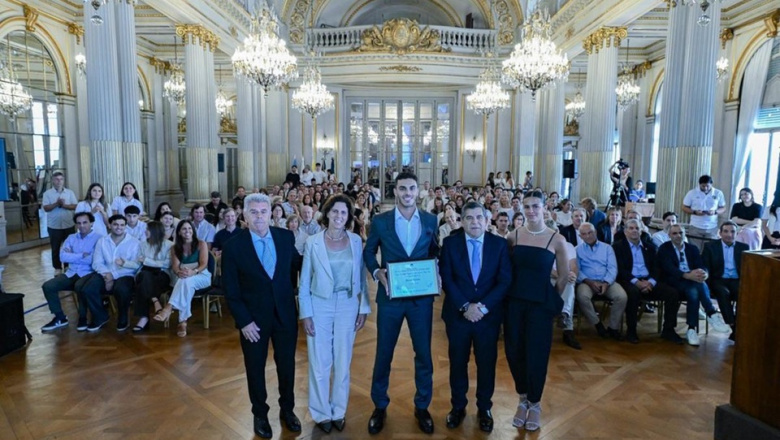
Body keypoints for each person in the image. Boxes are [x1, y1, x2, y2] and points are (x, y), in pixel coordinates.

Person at [363, 172, 440, 435]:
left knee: (424, 354)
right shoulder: (381, 221)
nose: (408, 193)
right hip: (390, 297)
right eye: (403, 188)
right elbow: (368, 251)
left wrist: (435, 269)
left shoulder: (431, 220)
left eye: (412, 188)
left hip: (420, 300)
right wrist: (376, 272)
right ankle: (379, 405)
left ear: (418, 191)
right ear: (395, 191)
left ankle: (422, 406)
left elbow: (434, 251)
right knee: (384, 353)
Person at [222, 193, 301, 439]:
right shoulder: (233, 246)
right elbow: (231, 290)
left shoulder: (286, 237)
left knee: (287, 366)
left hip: (285, 316)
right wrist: (244, 321)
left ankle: (288, 410)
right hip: (253, 322)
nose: (259, 216)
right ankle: (260, 413)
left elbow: (297, 271)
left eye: (263, 211)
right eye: (253, 212)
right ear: (244, 215)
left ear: (271, 213)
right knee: (255, 368)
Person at [298, 194, 370, 433]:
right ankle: (320, 413)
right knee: (320, 361)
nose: (339, 216)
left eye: (344, 213)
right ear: (327, 213)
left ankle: (338, 410)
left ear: (349, 217)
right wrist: (305, 313)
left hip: (348, 304)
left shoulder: (356, 241)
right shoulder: (313, 242)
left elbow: (361, 277)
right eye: (335, 212)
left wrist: (364, 307)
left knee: (343, 359)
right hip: (320, 304)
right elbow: (304, 281)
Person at [439, 201, 511, 433]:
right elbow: (447, 278)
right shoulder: (450, 244)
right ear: (462, 221)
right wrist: (465, 306)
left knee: (486, 364)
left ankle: (484, 408)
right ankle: (458, 407)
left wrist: (482, 307)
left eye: (479, 217)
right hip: (458, 316)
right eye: (469, 218)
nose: (474, 222)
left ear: (487, 220)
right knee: (458, 363)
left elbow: (504, 280)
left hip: (487, 318)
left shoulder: (499, 245)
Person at [504, 190, 570, 432]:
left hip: (540, 305)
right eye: (527, 206)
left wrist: (551, 299)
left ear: (544, 209)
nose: (531, 211)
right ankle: (522, 399)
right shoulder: (514, 236)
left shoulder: (557, 239)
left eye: (535, 206)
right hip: (515, 303)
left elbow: (563, 276)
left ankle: (535, 403)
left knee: (537, 354)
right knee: (514, 352)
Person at [657, 224, 731, 346]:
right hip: (674, 280)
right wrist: (686, 275)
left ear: (684, 233)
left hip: (692, 280)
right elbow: (669, 269)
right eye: (674, 233)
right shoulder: (664, 249)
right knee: (695, 288)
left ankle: (692, 329)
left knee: (695, 288)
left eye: (681, 232)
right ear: (669, 235)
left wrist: (704, 273)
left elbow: (701, 264)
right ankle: (709, 315)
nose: (678, 235)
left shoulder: (692, 248)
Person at [613, 219, 683, 344]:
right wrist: (637, 282)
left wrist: (650, 282)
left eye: (637, 228)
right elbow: (621, 270)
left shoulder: (650, 248)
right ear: (625, 232)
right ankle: (631, 331)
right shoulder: (618, 247)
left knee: (672, 293)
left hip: (649, 280)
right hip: (629, 281)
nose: (635, 230)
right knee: (633, 294)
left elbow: (657, 268)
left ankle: (668, 330)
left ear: (641, 231)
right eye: (631, 228)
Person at [78, 214, 140, 332]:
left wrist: (113, 275)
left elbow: (135, 266)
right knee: (88, 289)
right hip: (104, 273)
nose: (119, 227)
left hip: (125, 274)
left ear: (125, 226)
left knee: (121, 290)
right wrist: (107, 275)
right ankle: (100, 316)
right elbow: (97, 262)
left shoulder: (134, 242)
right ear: (110, 225)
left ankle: (123, 318)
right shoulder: (102, 241)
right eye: (115, 224)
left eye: (122, 225)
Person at [40, 212, 101, 332]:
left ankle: (83, 317)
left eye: (85, 222)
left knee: (80, 287)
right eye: (79, 223)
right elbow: (62, 257)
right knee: (48, 286)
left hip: (89, 273)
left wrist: (72, 255)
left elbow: (93, 259)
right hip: (71, 273)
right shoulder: (71, 238)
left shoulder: (99, 238)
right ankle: (60, 317)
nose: (82, 226)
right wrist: (81, 255)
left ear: (91, 223)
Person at [153, 220, 210, 337]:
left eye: (189, 228)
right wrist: (180, 273)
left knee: (186, 282)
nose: (187, 231)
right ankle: (182, 322)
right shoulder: (175, 248)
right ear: (179, 232)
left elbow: (204, 264)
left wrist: (193, 272)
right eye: (184, 229)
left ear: (193, 231)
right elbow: (175, 267)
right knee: (186, 283)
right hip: (183, 275)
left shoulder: (201, 243)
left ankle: (169, 308)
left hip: (201, 274)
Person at [575, 222, 627, 341]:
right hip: (587, 282)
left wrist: (606, 282)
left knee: (622, 296)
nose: (588, 236)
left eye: (590, 232)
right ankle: (597, 324)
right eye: (584, 234)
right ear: (580, 236)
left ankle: (613, 328)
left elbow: (613, 268)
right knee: (582, 296)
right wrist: (589, 282)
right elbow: (577, 270)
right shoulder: (577, 250)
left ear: (596, 232)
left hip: (607, 281)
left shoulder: (607, 248)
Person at [702, 221, 748, 340]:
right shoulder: (710, 246)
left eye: (732, 231)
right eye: (726, 231)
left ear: (736, 233)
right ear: (720, 233)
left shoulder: (743, 248)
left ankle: (738, 328)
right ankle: (733, 325)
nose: (729, 234)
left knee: (743, 294)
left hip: (736, 280)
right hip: (718, 280)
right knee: (723, 293)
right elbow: (705, 266)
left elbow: (747, 268)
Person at [130, 221, 173, 333]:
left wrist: (147, 261)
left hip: (161, 275)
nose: (145, 232)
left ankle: (144, 318)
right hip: (145, 273)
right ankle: (155, 300)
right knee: (144, 276)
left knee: (143, 282)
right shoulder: (143, 244)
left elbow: (166, 264)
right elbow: (137, 263)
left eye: (147, 229)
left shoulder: (169, 245)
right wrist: (124, 263)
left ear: (154, 231)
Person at [42, 171, 78, 273]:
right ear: (53, 180)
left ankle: (67, 265)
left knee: (69, 247)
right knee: (55, 248)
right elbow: (46, 208)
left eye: (61, 179)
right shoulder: (47, 194)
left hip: (68, 225)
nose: (59, 181)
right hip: (54, 226)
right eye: (57, 179)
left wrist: (64, 205)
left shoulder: (70, 192)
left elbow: (75, 206)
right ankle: (57, 268)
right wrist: (57, 203)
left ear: (63, 180)